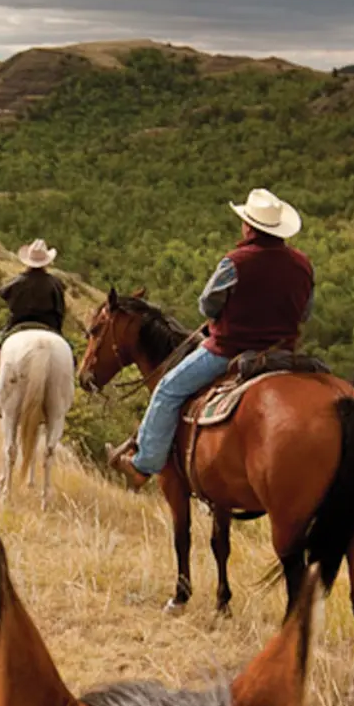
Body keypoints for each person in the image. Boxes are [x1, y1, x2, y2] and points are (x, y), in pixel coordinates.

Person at [107, 188, 315, 489]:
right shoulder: (303, 265)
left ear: (249, 226)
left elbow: (207, 305)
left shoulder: (234, 262)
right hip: (282, 352)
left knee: (167, 390)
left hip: (227, 350)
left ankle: (143, 464)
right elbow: (305, 313)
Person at [0, 238, 69, 408]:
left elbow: (3, 294)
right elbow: (60, 311)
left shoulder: (18, 281)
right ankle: (65, 395)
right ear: (47, 262)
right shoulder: (56, 284)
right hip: (50, 327)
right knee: (70, 358)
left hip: (17, 325)